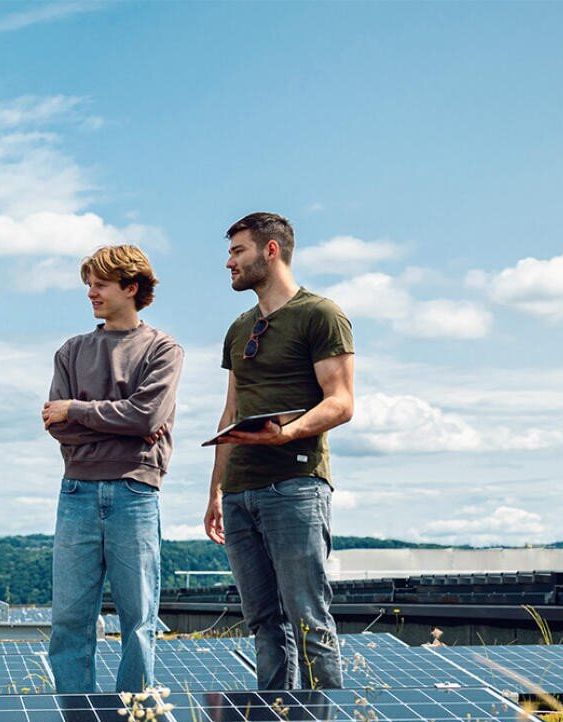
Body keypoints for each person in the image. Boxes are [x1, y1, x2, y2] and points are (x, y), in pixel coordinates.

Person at [204, 212, 356, 690]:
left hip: (296, 486)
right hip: (240, 492)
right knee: (263, 624)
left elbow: (341, 402)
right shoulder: (239, 328)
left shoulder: (320, 314)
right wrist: (215, 493)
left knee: (307, 619)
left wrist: (288, 433)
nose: (228, 262)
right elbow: (231, 412)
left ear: (271, 251)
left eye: (237, 251)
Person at [43, 244, 183, 695]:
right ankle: (74, 718)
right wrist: (121, 425)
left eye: (100, 284)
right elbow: (56, 427)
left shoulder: (163, 350)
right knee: (69, 620)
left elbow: (147, 417)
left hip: (134, 494)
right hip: (77, 493)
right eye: (88, 284)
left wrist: (78, 410)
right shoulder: (71, 351)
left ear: (131, 287)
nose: (90, 293)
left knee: (138, 620)